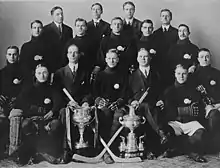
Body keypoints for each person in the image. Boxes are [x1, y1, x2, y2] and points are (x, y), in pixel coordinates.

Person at [53, 43, 93, 164]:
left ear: (79, 55)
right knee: (64, 114)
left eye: (75, 52)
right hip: (66, 105)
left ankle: (84, 150)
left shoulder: (85, 72)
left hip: (81, 105)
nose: (73, 55)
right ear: (67, 55)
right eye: (70, 52)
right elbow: (56, 94)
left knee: (90, 114)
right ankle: (66, 151)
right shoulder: (59, 73)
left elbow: (89, 91)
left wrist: (86, 102)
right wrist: (69, 102)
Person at [14, 64, 62, 164]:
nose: (42, 75)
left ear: (48, 74)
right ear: (35, 75)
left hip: (48, 119)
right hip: (32, 119)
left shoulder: (52, 88)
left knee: (56, 125)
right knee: (26, 124)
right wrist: (33, 110)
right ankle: (33, 152)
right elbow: (19, 102)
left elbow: (59, 101)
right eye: (39, 73)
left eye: (44, 73)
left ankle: (47, 152)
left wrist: (53, 111)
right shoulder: (29, 88)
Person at [161, 64, 207, 163]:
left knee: (201, 134)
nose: (181, 76)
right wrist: (185, 110)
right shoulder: (169, 90)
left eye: (184, 74)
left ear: (187, 74)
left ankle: (179, 149)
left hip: (189, 121)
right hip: (175, 122)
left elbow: (198, 109)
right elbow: (168, 111)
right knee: (168, 134)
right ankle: (191, 152)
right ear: (175, 74)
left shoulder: (193, 90)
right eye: (179, 73)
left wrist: (191, 111)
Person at [93, 49, 129, 164]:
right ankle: (106, 151)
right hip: (104, 105)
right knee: (105, 114)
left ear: (118, 60)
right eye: (109, 58)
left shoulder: (122, 74)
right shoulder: (100, 75)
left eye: (114, 58)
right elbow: (94, 92)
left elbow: (125, 93)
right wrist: (99, 100)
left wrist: (118, 102)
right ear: (105, 60)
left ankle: (110, 148)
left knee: (118, 116)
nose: (111, 60)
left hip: (118, 105)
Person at [193, 48, 220, 152]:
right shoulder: (193, 75)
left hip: (218, 103)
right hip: (204, 106)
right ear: (198, 59)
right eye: (202, 57)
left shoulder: (217, 73)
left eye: (207, 57)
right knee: (214, 115)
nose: (205, 59)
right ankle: (212, 146)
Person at [0, 46, 23, 159]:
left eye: (14, 54)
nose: (12, 57)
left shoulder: (24, 71)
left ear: (18, 56)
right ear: (6, 56)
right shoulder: (2, 72)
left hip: (18, 103)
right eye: (9, 54)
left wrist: (17, 100)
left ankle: (13, 153)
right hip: (4, 103)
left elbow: (26, 90)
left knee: (15, 115)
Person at [41, 6, 73, 73]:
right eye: (58, 14)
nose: (61, 16)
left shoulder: (69, 30)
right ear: (52, 16)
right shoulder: (46, 30)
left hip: (65, 63)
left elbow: (70, 47)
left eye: (62, 14)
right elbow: (43, 48)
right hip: (50, 63)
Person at [154, 9, 178, 90]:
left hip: (172, 65)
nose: (165, 18)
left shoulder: (176, 32)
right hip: (159, 66)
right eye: (163, 16)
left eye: (167, 16)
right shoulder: (155, 33)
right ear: (160, 18)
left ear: (171, 18)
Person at [20, 20, 45, 84]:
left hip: (45, 78)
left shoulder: (48, 46)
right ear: (31, 30)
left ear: (42, 30)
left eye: (39, 28)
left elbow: (51, 62)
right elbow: (22, 65)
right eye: (34, 28)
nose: (37, 30)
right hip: (29, 79)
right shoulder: (25, 47)